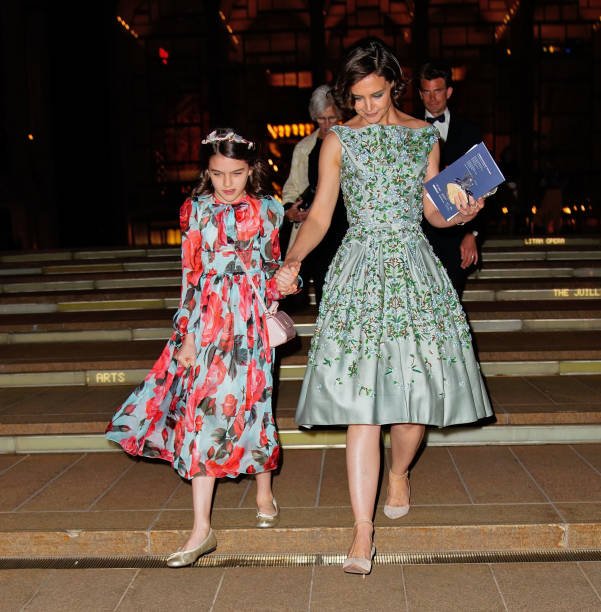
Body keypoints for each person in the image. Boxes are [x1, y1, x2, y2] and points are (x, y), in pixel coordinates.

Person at [276, 37, 493, 575]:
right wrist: (293, 260)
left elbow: (433, 214)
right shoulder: (339, 141)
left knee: (414, 403)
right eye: (357, 98)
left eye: (375, 95)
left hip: (414, 270)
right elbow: (323, 214)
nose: (367, 107)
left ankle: (400, 472)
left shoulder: (423, 138)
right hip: (358, 271)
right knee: (362, 410)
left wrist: (464, 211)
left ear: (394, 84)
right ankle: (361, 531)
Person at [105, 128, 299, 567]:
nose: (227, 183)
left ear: (252, 169)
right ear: (205, 173)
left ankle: (265, 489)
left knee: (254, 408)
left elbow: (274, 269)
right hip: (208, 323)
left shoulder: (270, 211)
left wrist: (290, 281)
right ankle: (201, 528)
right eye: (217, 174)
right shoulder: (194, 211)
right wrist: (187, 334)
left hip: (250, 324)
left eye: (236, 173)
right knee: (199, 417)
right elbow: (190, 276)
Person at [418, 61, 483, 297]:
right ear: (420, 93)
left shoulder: (469, 131)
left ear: (449, 92)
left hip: (456, 232)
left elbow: (484, 186)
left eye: (437, 91)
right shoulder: (406, 130)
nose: (432, 98)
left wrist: (472, 234)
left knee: (452, 300)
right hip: (418, 232)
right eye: (426, 92)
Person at [282, 84, 348, 307]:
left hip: (343, 229)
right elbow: (292, 187)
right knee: (306, 292)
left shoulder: (350, 145)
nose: (327, 125)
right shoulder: (305, 148)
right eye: (321, 119)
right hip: (314, 226)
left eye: (332, 118)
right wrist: (291, 210)